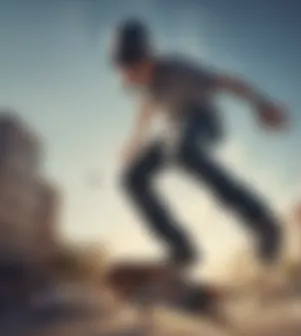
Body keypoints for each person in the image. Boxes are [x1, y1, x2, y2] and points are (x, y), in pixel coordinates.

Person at [111, 19, 288, 271]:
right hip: (173, 130)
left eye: (134, 70)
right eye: (126, 73)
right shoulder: (139, 85)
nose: (132, 79)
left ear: (148, 57)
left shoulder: (180, 69)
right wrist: (133, 143)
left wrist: (263, 104)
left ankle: (261, 221)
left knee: (182, 150)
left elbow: (229, 83)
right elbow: (145, 110)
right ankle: (181, 248)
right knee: (131, 178)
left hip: (203, 121)